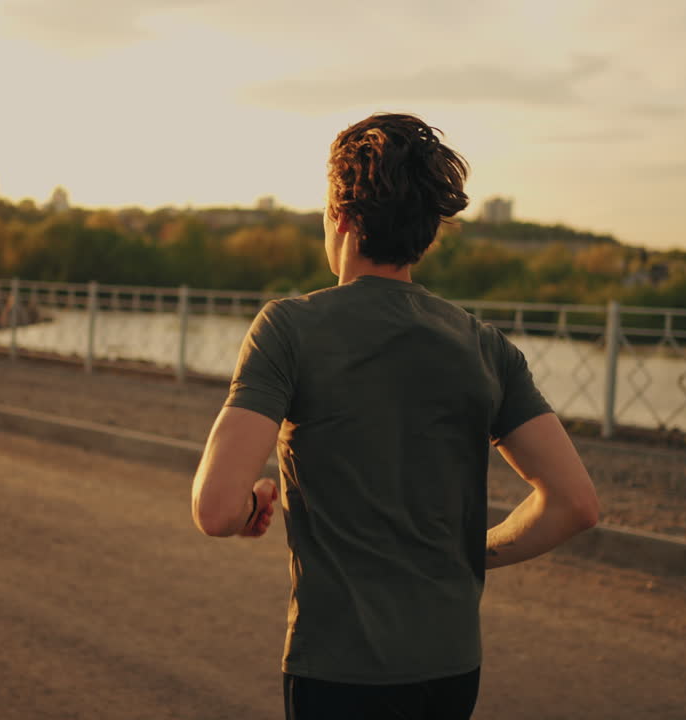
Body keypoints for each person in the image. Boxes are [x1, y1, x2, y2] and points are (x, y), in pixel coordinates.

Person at [190, 113, 599, 719]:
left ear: (341, 218)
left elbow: (215, 509)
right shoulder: (486, 346)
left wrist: (253, 505)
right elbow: (574, 504)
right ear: (426, 232)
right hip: (452, 669)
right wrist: (469, 550)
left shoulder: (289, 329)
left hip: (337, 671)